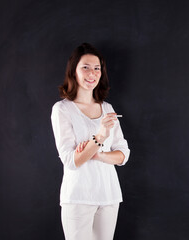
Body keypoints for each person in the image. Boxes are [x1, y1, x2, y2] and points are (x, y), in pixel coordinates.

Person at [51, 43, 130, 240]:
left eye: (97, 68)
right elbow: (71, 160)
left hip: (109, 195)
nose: (92, 73)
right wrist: (100, 136)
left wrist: (97, 154)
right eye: (85, 67)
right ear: (74, 70)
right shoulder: (62, 109)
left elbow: (123, 155)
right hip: (78, 197)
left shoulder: (108, 108)